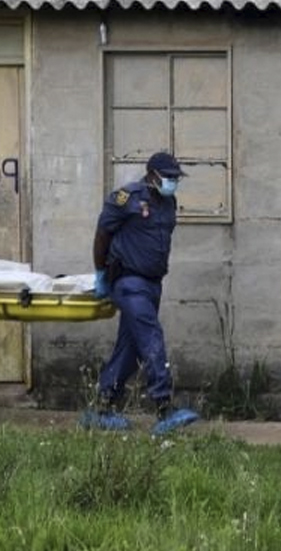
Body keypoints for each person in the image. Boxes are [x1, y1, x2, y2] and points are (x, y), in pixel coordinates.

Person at [81, 150, 201, 435]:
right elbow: (102, 235)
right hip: (128, 282)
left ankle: (102, 407)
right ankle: (164, 408)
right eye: (169, 177)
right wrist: (100, 274)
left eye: (176, 178)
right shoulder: (126, 198)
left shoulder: (169, 203)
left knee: (130, 348)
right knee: (151, 337)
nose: (173, 182)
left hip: (152, 284)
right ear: (152, 175)